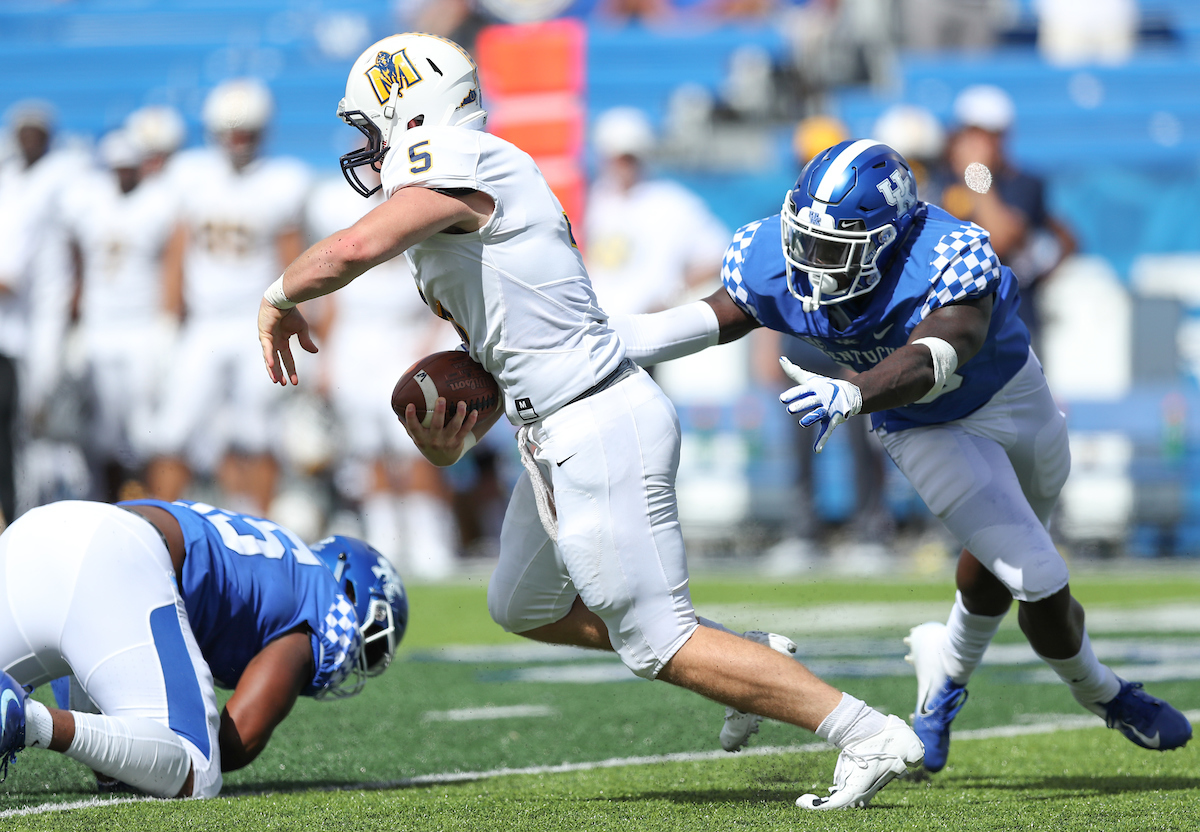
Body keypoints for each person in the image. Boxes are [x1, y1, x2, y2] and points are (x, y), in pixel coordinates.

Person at [257, 32, 924, 810]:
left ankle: (866, 730)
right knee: (522, 603)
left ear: (413, 115)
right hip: (554, 424)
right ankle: (746, 663)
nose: (365, 147)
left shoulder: (472, 161)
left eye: (373, 125)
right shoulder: (447, 207)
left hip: (597, 422)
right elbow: (507, 358)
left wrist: (278, 297)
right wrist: (448, 447)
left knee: (658, 641)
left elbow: (354, 248)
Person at [592, 138, 1192, 772]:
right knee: (1036, 573)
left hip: (1014, 400)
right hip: (920, 428)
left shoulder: (946, 254)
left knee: (1010, 550)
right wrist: (600, 342)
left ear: (887, 239)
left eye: (833, 249)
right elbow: (712, 317)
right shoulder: (773, 254)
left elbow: (941, 351)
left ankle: (943, 676)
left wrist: (853, 390)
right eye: (804, 239)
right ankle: (1102, 691)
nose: (810, 262)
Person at [0, 499, 406, 797]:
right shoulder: (321, 607)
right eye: (370, 651)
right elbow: (234, 740)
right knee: (199, 767)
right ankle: (27, 720)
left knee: (128, 754)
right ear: (352, 593)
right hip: (117, 564)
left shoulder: (285, 557)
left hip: (45, 528)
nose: (358, 662)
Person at [144, 78, 311, 515]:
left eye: (246, 134)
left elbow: (293, 264)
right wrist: (167, 322)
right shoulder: (193, 176)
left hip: (258, 322)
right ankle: (161, 528)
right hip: (204, 323)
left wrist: (293, 319)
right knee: (172, 432)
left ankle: (260, 528)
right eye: (231, 133)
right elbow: (177, 255)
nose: (238, 143)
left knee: (259, 434)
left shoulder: (282, 180)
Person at [60, 129, 179, 500]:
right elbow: (73, 256)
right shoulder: (89, 203)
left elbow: (173, 262)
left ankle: (151, 502)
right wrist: (75, 314)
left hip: (141, 326)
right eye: (117, 168)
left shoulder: (159, 203)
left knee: (146, 427)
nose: (123, 174)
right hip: (100, 325)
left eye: (129, 167)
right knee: (101, 430)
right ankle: (103, 500)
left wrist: (167, 319)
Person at [933, 85, 1076, 351]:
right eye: (970, 134)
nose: (976, 145)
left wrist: (975, 174)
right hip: (956, 325)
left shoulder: (1023, 183)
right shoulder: (941, 182)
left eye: (987, 136)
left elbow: (999, 241)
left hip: (1014, 322)